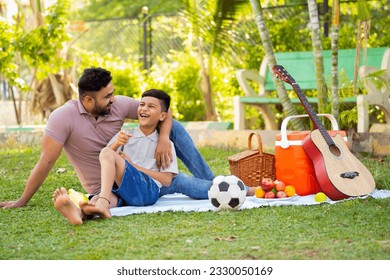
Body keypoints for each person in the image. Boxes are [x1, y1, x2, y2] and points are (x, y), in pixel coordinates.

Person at [0, 67, 213, 209]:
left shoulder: (117, 105)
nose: (114, 99)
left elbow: (162, 111)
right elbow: (45, 163)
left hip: (138, 179)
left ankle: (215, 184)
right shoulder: (62, 118)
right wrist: (21, 200)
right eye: (107, 96)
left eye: (113, 93)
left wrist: (164, 137)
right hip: (107, 189)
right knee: (100, 201)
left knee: (177, 152)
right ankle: (82, 210)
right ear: (88, 100)